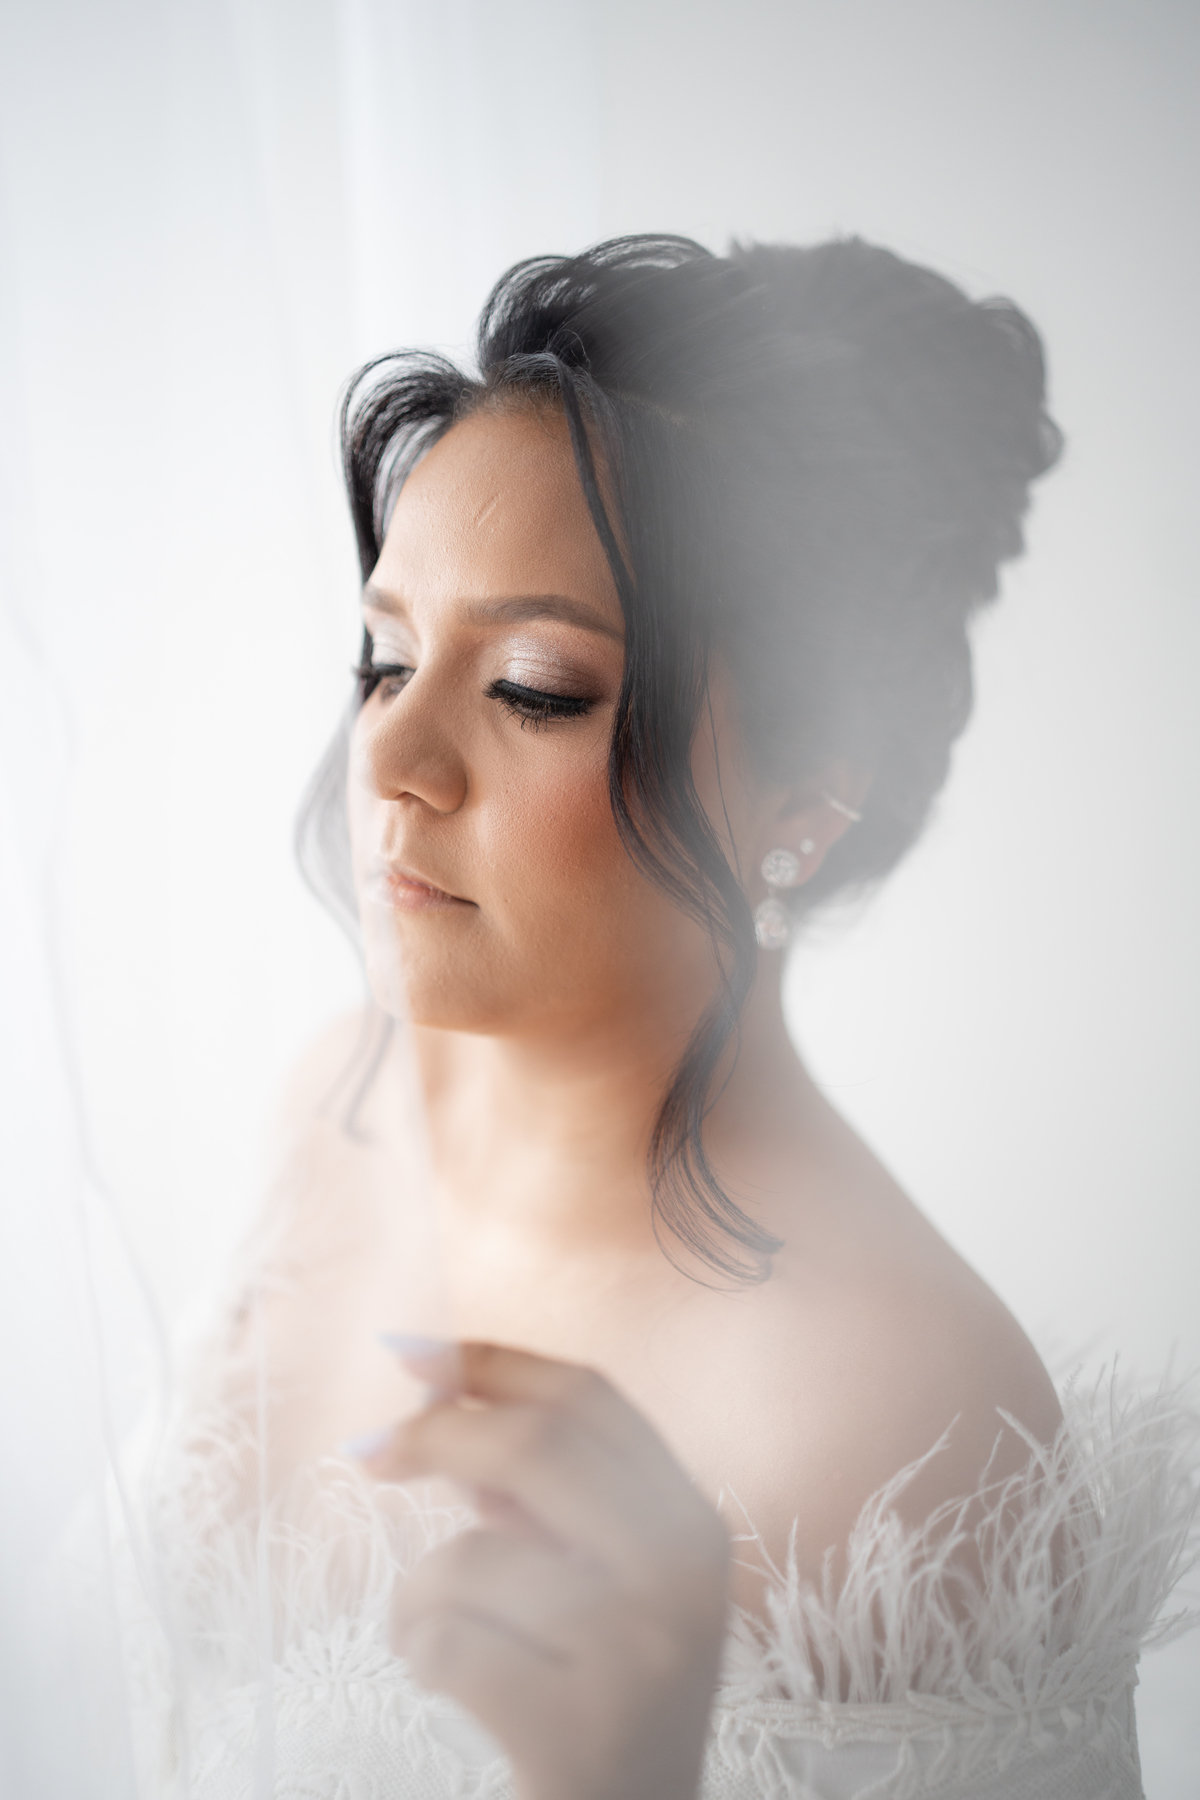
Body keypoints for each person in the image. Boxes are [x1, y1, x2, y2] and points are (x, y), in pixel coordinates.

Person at [125, 235, 1195, 1800]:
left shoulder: (897, 1424)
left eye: (536, 687)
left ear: (805, 801)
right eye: (387, 657)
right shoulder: (332, 1106)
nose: (392, 762)